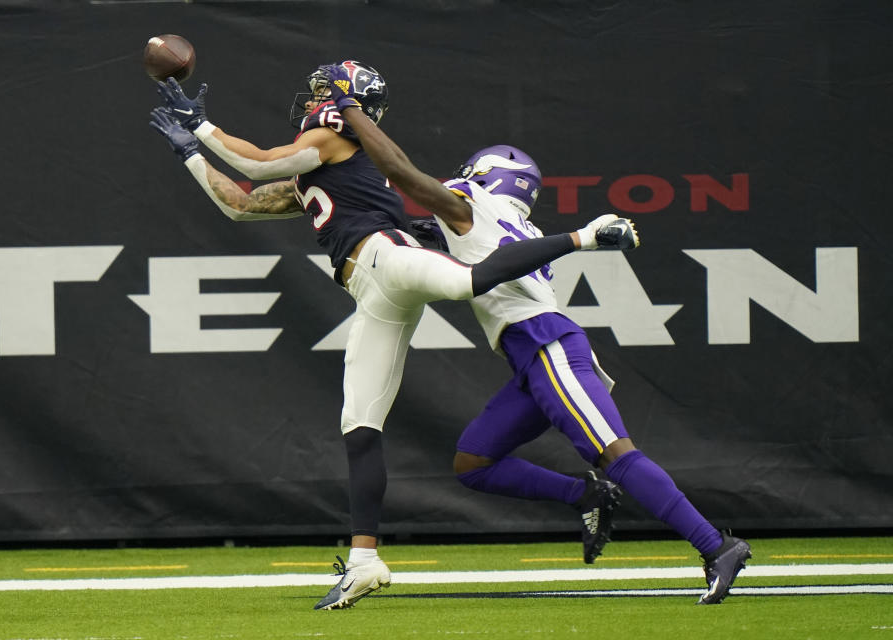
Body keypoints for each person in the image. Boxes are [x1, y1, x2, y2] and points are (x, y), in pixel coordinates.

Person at [147, 61, 636, 610]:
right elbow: (239, 203)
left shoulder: (331, 139)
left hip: (389, 255)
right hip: (374, 290)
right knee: (359, 424)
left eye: (322, 92)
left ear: (345, 101)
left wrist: (204, 130)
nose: (312, 101)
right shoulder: (321, 167)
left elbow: (256, 164)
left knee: (471, 280)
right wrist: (189, 153)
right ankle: (364, 561)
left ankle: (584, 237)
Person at [320, 62, 752, 605]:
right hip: (531, 359)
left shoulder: (474, 208)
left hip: (547, 347)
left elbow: (404, 177)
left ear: (483, 177)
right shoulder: (513, 223)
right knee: (474, 462)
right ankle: (587, 496)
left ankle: (717, 546)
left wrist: (351, 111)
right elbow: (416, 228)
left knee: (614, 452)